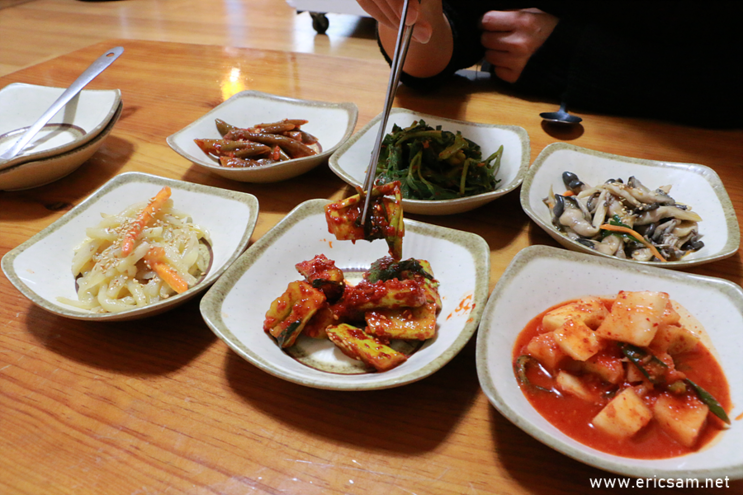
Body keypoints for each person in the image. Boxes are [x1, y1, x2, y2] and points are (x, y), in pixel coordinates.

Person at [356, 1, 743, 128]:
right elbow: (431, 53)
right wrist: (410, 15)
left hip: (704, 143)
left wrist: (574, 55)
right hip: (518, 136)